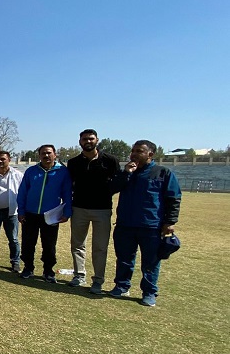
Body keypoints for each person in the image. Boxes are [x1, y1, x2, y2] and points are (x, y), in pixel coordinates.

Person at [108, 140, 181, 307]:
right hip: (125, 224)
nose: (133, 154)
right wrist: (126, 173)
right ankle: (122, 286)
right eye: (132, 151)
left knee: (151, 262)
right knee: (124, 259)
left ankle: (149, 292)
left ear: (150, 154)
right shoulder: (127, 172)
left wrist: (170, 221)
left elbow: (174, 198)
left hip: (151, 226)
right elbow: (111, 189)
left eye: (139, 151)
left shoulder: (162, 173)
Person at [66, 129, 120, 294]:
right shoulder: (73, 162)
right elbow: (71, 185)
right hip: (79, 208)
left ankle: (98, 280)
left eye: (91, 139)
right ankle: (79, 275)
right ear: (80, 141)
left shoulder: (110, 161)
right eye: (84, 139)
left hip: (102, 210)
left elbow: (117, 184)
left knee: (100, 247)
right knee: (77, 244)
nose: (88, 141)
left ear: (97, 140)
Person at [16, 145, 72, 283]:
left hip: (51, 215)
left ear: (55, 155)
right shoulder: (31, 171)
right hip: (30, 214)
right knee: (28, 243)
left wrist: (67, 212)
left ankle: (48, 271)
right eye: (43, 154)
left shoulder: (62, 172)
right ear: (39, 156)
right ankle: (28, 268)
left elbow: (67, 193)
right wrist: (21, 211)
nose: (46, 156)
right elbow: (22, 192)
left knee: (49, 245)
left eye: (48, 153)